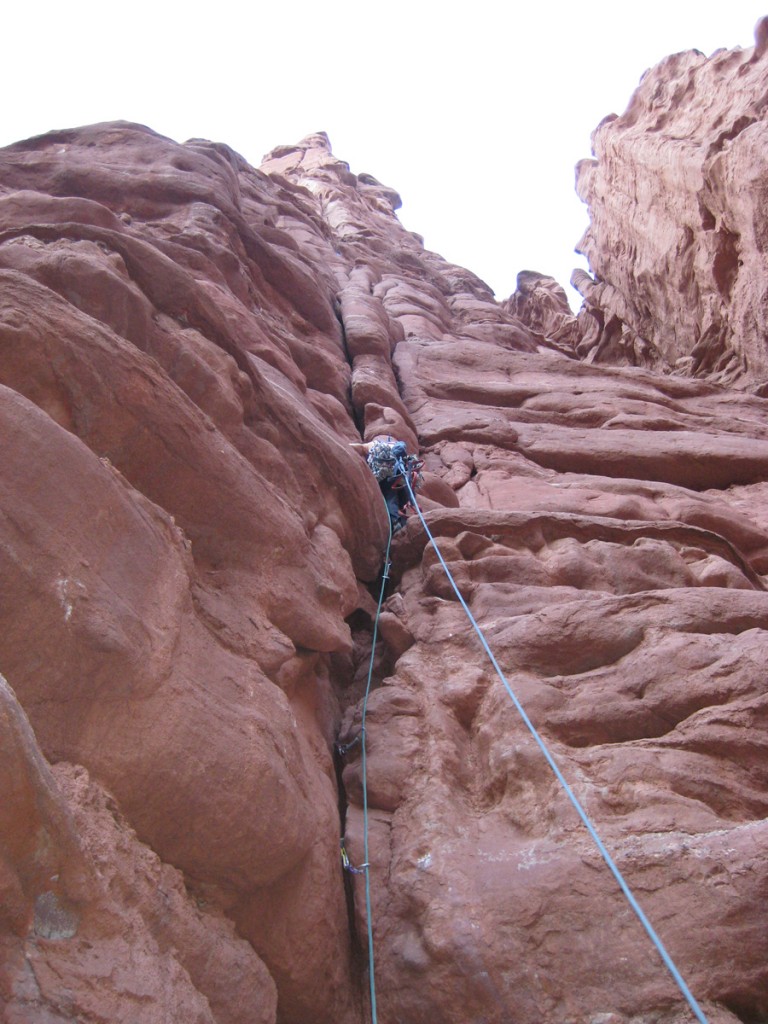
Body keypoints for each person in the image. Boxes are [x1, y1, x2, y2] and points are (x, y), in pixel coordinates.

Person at [350, 434, 423, 533]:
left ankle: (395, 522)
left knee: (390, 496)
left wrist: (345, 446)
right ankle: (403, 522)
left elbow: (361, 447)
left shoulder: (374, 444)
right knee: (401, 499)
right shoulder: (398, 447)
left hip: (387, 476)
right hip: (402, 475)